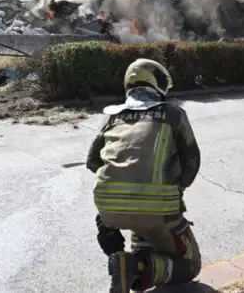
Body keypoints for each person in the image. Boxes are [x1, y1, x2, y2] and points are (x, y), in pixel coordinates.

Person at [86, 58, 202, 293]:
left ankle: (128, 264)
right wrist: (176, 188)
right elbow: (192, 161)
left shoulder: (111, 117)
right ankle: (134, 266)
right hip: (158, 209)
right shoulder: (173, 114)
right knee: (190, 265)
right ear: (158, 84)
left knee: (141, 228)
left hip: (108, 208)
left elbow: (92, 161)